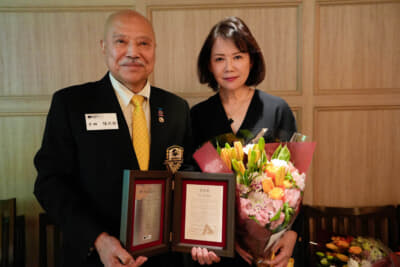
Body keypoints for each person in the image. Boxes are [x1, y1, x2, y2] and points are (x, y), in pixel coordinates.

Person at [34, 10, 192, 267]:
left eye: (143, 43)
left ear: (154, 49)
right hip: (96, 257)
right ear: (103, 46)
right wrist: (97, 239)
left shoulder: (176, 108)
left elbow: (186, 173)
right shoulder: (71, 104)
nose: (133, 52)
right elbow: (49, 182)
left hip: (164, 258)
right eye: (121, 42)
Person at [190, 17, 300, 267]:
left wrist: (292, 232)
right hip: (214, 246)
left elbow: (294, 181)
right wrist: (198, 235)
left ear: (252, 59)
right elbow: (191, 178)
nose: (229, 67)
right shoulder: (197, 115)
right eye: (219, 59)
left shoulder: (277, 110)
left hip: (267, 244)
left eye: (237, 57)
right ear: (209, 64)